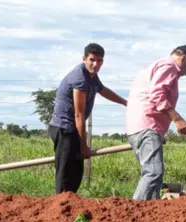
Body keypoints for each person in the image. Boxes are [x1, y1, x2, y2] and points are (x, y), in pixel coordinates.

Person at [48, 43, 127, 194]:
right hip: (64, 128)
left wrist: (124, 102)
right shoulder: (80, 78)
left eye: (99, 61)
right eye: (92, 60)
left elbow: (103, 90)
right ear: (84, 58)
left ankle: (71, 202)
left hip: (72, 129)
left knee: (76, 171)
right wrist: (83, 146)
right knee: (66, 173)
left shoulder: (91, 76)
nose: (95, 64)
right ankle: (60, 207)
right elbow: (79, 114)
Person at [124, 45, 186, 200]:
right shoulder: (169, 66)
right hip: (147, 125)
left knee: (153, 177)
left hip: (138, 126)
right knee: (153, 172)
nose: (184, 74)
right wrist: (177, 119)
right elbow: (157, 95)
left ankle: (149, 217)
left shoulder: (155, 66)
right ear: (184, 58)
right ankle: (134, 214)